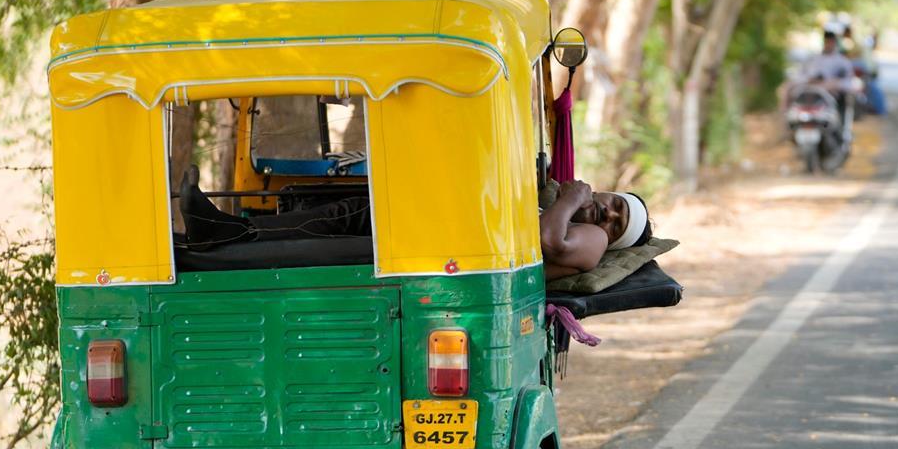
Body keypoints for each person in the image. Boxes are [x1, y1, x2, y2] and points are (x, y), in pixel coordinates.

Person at [179, 167, 651, 280]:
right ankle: (221, 230)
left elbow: (552, 242)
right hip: (440, 236)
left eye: (616, 220)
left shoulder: (590, 239)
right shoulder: (585, 219)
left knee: (323, 245)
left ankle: (211, 247)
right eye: (613, 203)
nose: (606, 213)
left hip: (445, 256)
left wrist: (572, 198)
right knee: (344, 216)